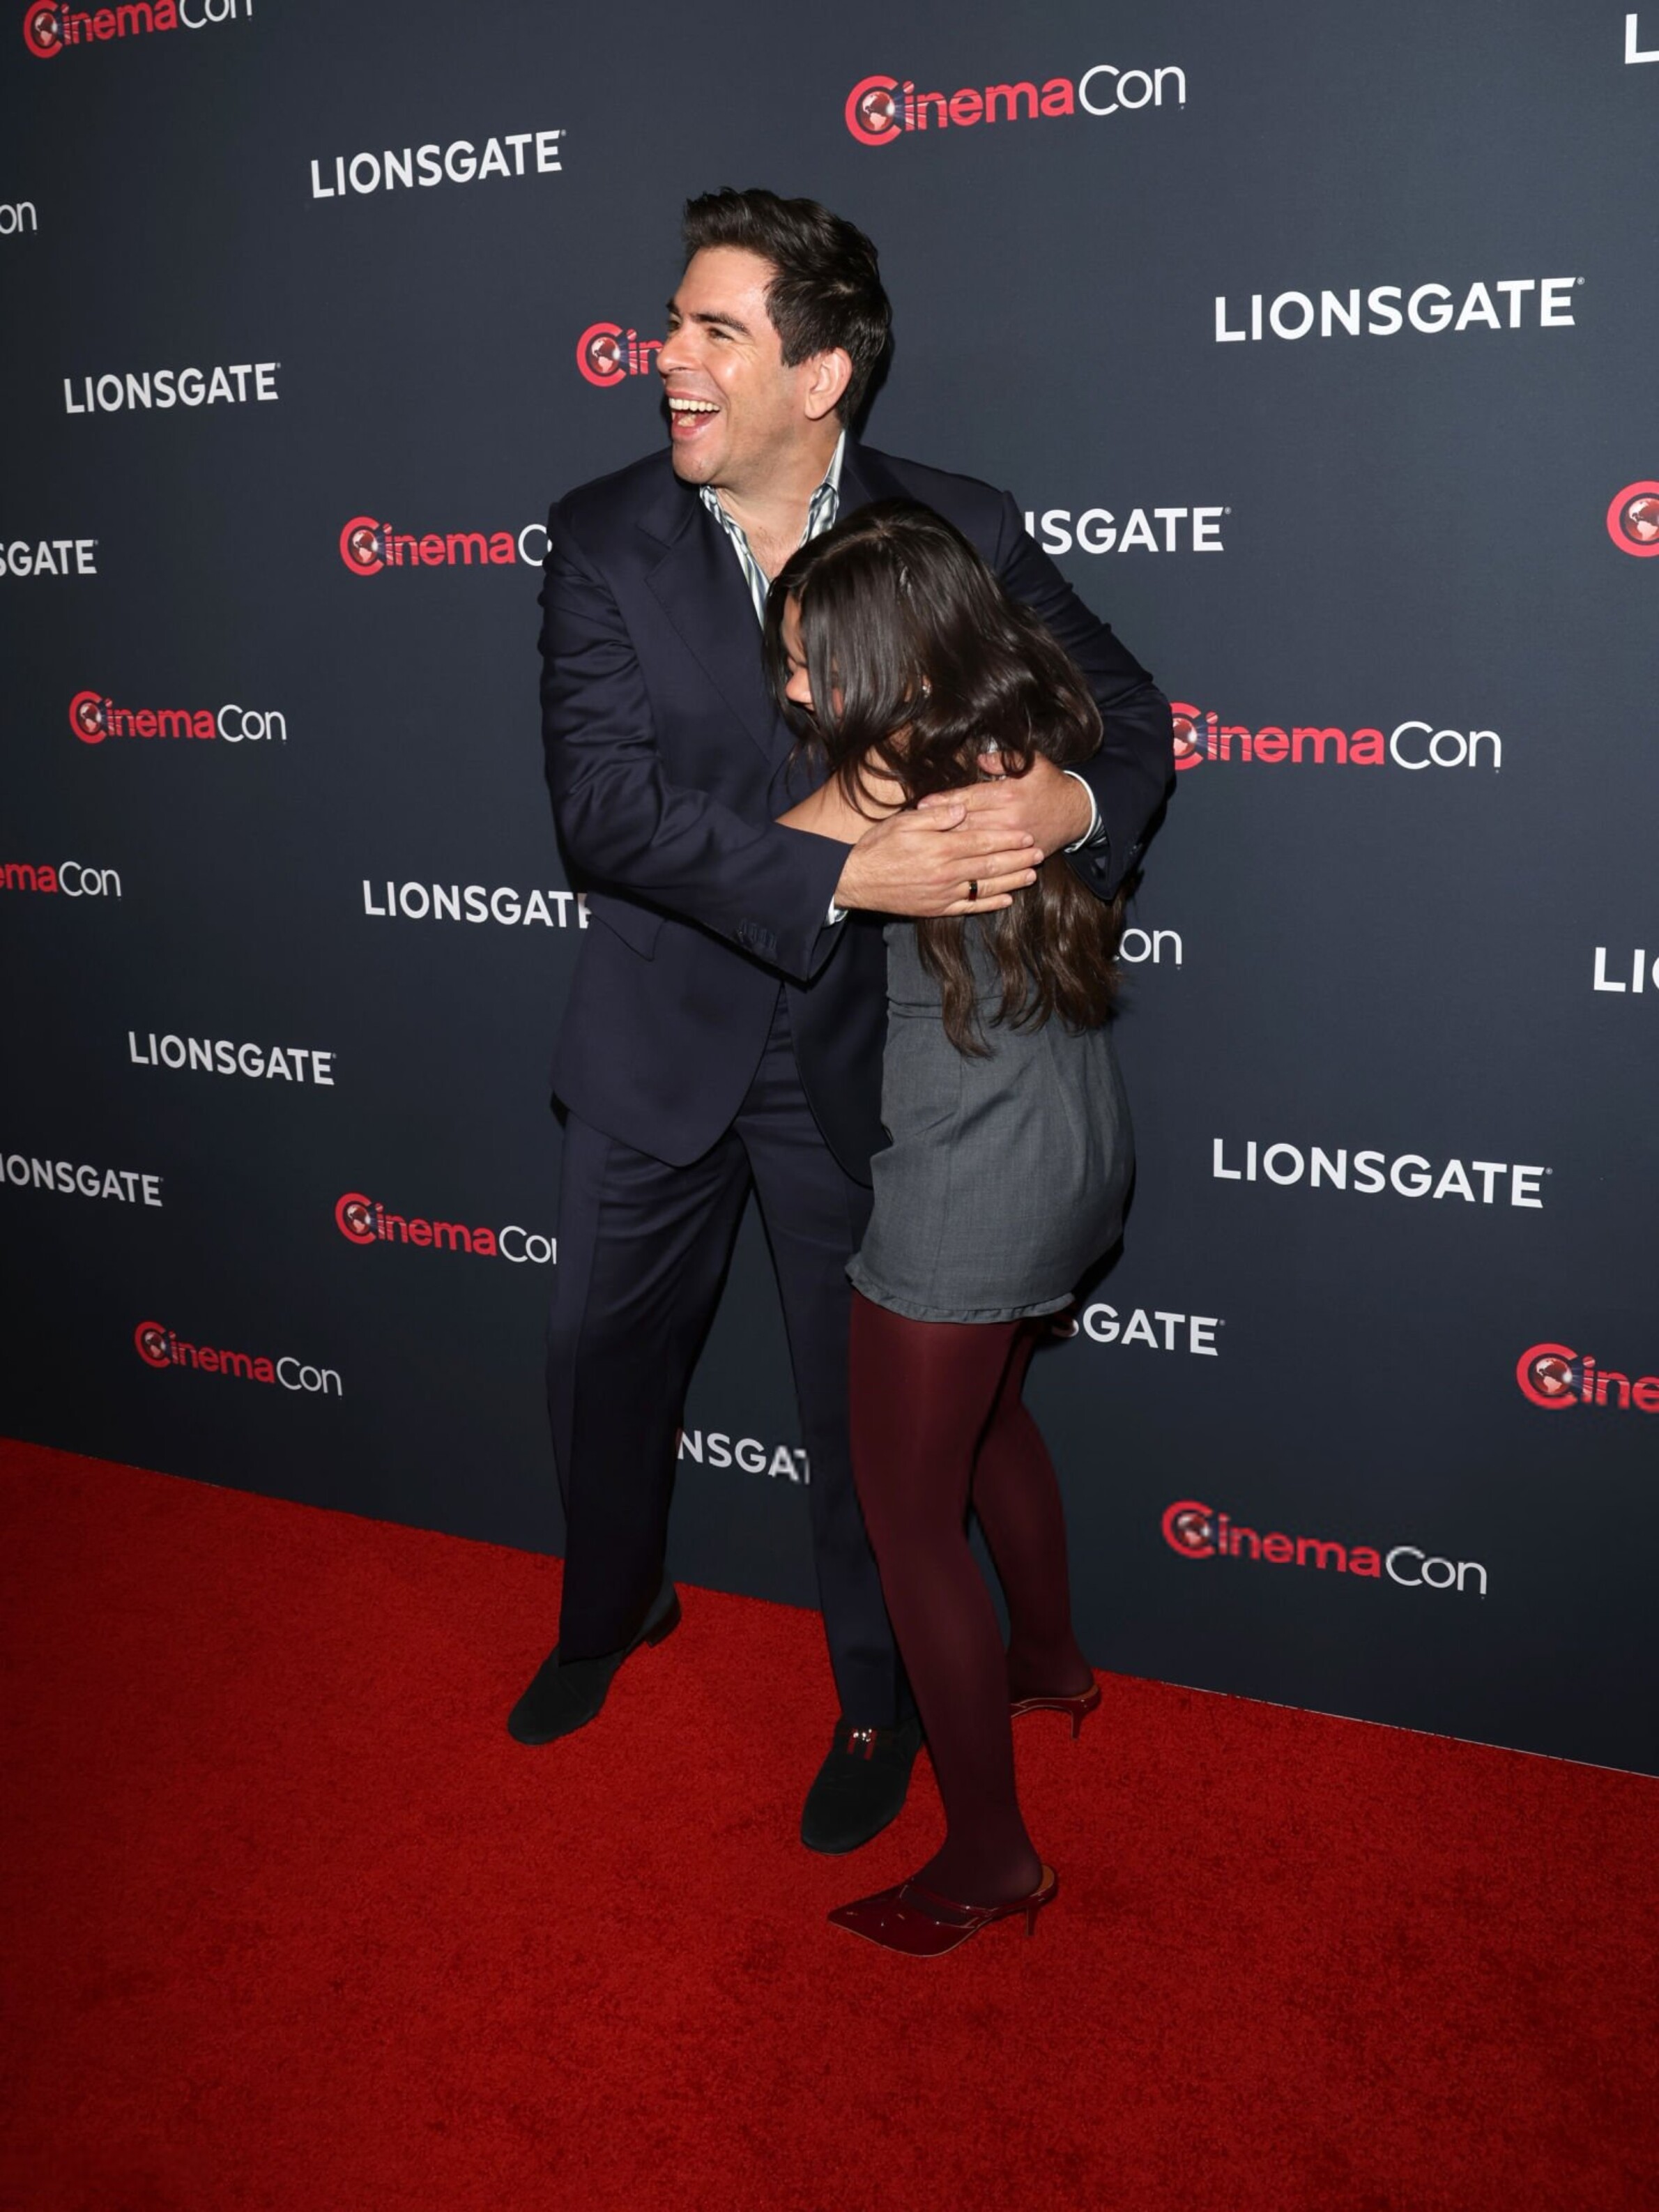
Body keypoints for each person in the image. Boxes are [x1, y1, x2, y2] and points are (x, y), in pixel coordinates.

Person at [514, 188, 1170, 1859]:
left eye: (711, 331)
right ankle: (610, 1608)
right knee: (594, 1359)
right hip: (658, 1030)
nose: (664, 357)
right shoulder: (598, 536)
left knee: (856, 1418)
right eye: (670, 323)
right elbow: (604, 813)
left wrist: (1065, 803)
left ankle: (873, 1702)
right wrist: (841, 871)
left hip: (863, 1060)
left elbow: (1128, 713)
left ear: (819, 375)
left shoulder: (955, 524)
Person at [767, 503, 1133, 1954]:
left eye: (811, 662)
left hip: (970, 1174)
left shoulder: (897, 778)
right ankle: (1048, 1660)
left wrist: (835, 794)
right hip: (1071, 1137)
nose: (791, 688)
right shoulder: (1024, 732)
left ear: (888, 659)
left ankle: (991, 1856)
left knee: (907, 1523)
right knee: (990, 1424)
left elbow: (746, 868)